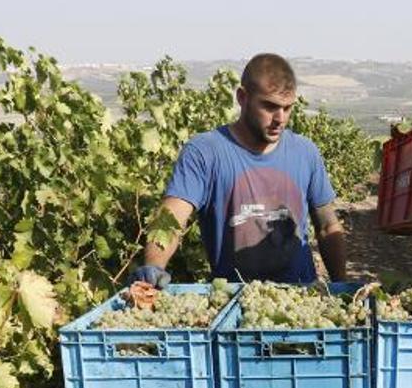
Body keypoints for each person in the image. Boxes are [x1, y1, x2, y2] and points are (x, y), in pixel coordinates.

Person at [129, 53, 347, 286]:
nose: (280, 118)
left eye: (287, 108)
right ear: (242, 97)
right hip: (233, 296)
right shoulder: (204, 152)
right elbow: (171, 215)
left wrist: (342, 287)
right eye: (270, 106)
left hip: (301, 296)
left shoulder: (305, 152)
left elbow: (327, 226)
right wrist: (154, 264)